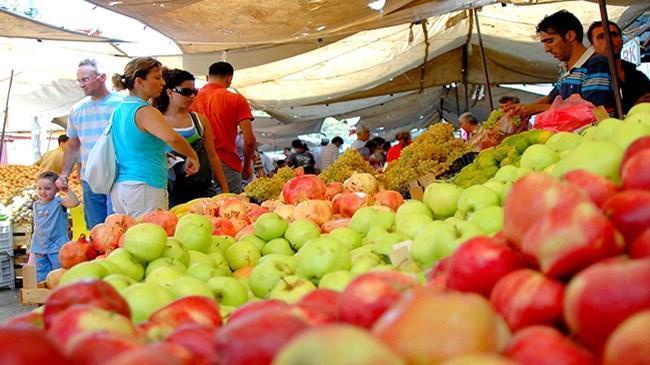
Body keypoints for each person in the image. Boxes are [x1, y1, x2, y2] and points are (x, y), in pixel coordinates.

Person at [110, 57, 199, 217]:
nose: (163, 82)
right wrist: (192, 155)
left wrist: (159, 152)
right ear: (139, 81)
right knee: (149, 236)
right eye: (157, 77)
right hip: (145, 187)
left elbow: (134, 144)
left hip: (122, 186)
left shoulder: (120, 109)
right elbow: (172, 138)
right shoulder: (146, 111)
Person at [505, 10, 615, 118]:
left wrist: (536, 108)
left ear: (570, 36)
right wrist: (523, 109)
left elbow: (589, 109)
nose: (546, 49)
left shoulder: (596, 64)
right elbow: (551, 97)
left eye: (550, 41)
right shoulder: (565, 69)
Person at [56, 59, 123, 229]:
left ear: (101, 77)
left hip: (118, 175)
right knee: (95, 229)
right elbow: (73, 145)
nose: (81, 85)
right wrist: (64, 174)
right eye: (79, 81)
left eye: (85, 79)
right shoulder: (77, 109)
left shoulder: (121, 105)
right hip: (89, 177)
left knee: (115, 226)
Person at [154, 68, 229, 207]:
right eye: (186, 92)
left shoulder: (200, 121)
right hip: (171, 193)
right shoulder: (155, 121)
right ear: (169, 92)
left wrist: (224, 189)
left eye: (194, 91)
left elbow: (212, 156)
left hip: (203, 190)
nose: (192, 96)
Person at [191, 61, 256, 194]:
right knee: (230, 208)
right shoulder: (236, 100)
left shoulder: (190, 98)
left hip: (196, 162)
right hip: (227, 163)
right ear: (229, 79)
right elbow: (249, 140)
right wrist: (247, 165)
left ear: (207, 77)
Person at [587, 21, 650, 114]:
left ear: (621, 41)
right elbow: (595, 115)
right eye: (601, 37)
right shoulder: (589, 80)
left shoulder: (638, 76)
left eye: (613, 35)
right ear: (592, 47)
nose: (609, 40)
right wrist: (633, 107)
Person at [32, 171, 79, 282]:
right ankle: (42, 295)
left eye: (47, 188)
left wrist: (67, 190)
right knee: (41, 274)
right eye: (39, 188)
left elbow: (75, 203)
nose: (43, 192)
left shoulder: (59, 203)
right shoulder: (36, 205)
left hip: (57, 246)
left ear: (57, 189)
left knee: (59, 273)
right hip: (39, 246)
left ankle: (60, 293)